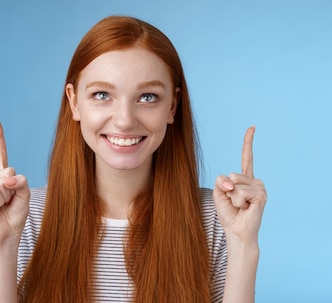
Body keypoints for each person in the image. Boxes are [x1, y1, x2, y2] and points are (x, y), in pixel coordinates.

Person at [0, 15, 267, 303]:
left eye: (148, 97)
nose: (125, 121)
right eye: (102, 94)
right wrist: (3, 243)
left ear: (172, 106)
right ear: (74, 102)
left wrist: (243, 244)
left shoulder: (215, 218)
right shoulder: (25, 217)